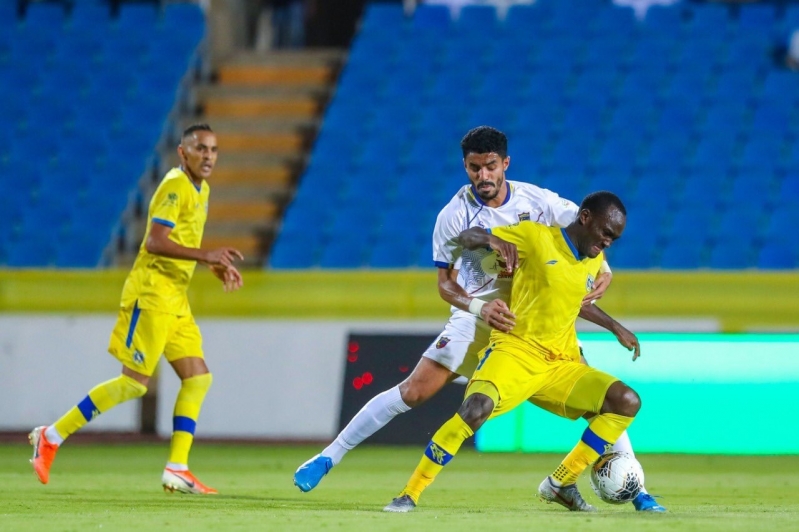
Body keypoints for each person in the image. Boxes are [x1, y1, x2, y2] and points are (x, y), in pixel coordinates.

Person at [294, 126, 664, 511]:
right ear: (465, 167)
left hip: (532, 315)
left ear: (505, 164)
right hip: (478, 314)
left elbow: (590, 235)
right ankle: (327, 457)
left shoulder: (539, 201)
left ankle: (636, 489)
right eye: (474, 168)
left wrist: (606, 271)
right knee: (414, 391)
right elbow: (445, 285)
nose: (483, 176)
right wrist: (479, 307)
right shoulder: (452, 216)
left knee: (601, 401)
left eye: (490, 166)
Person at [384, 191, 640, 513]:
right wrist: (491, 239)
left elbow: (575, 301)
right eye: (606, 233)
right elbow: (467, 237)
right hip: (516, 352)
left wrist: (615, 327)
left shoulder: (591, 261)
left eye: (614, 238)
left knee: (625, 401)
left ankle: (561, 483)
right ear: (585, 217)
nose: (608, 242)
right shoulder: (536, 236)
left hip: (559, 365)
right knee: (475, 409)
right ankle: (410, 493)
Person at [29, 124, 244, 495]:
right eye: (200, 149)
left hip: (175, 297)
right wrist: (206, 254)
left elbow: (180, 241)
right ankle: (51, 436)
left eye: (213, 149)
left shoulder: (202, 189)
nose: (208, 156)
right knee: (133, 383)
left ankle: (177, 467)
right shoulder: (175, 186)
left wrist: (210, 264)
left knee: (197, 378)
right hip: (151, 295)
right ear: (182, 153)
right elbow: (155, 242)